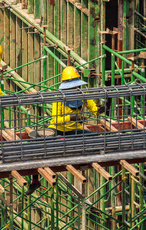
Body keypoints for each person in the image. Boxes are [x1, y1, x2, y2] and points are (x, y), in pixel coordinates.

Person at [25, 66, 106, 195]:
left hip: (73, 131)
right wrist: (72, 117)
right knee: (37, 146)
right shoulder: (58, 98)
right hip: (57, 129)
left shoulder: (83, 96)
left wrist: (99, 110)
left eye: (77, 86)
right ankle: (35, 181)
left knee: (96, 137)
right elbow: (56, 119)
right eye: (74, 87)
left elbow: (93, 109)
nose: (76, 89)